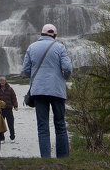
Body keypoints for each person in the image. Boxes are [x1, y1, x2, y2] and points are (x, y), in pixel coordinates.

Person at [22, 22, 72, 158]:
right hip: (57, 90)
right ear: (54, 35)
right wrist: (64, 78)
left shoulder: (31, 47)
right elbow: (67, 68)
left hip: (39, 91)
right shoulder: (60, 47)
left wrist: (35, 79)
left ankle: (46, 159)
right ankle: (63, 158)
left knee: (43, 127)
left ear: (41, 33)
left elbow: (26, 70)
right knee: (60, 125)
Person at [0, 76, 18, 140]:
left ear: (5, 81)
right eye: (1, 81)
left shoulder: (10, 89)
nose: (2, 82)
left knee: (11, 123)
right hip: (0, 110)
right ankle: (2, 138)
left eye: (3, 81)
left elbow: (14, 98)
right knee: (1, 124)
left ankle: (12, 137)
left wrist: (15, 106)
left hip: (9, 109)